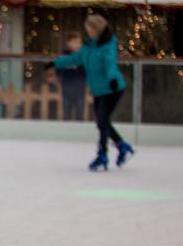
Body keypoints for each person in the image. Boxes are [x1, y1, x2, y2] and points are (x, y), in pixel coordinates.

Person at [52, 15, 133, 171]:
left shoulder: (108, 44)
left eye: (92, 29)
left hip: (112, 88)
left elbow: (110, 63)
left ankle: (102, 154)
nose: (89, 31)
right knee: (102, 122)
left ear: (99, 29)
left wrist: (112, 79)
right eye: (88, 29)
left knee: (102, 121)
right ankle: (122, 146)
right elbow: (75, 59)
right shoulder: (88, 46)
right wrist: (56, 63)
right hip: (98, 90)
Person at [57, 32, 87, 121]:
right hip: (67, 89)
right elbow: (58, 71)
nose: (78, 45)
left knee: (80, 113)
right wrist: (68, 66)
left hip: (80, 89)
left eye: (79, 42)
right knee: (66, 113)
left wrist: (78, 67)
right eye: (75, 42)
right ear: (68, 43)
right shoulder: (63, 56)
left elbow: (87, 72)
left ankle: (79, 132)